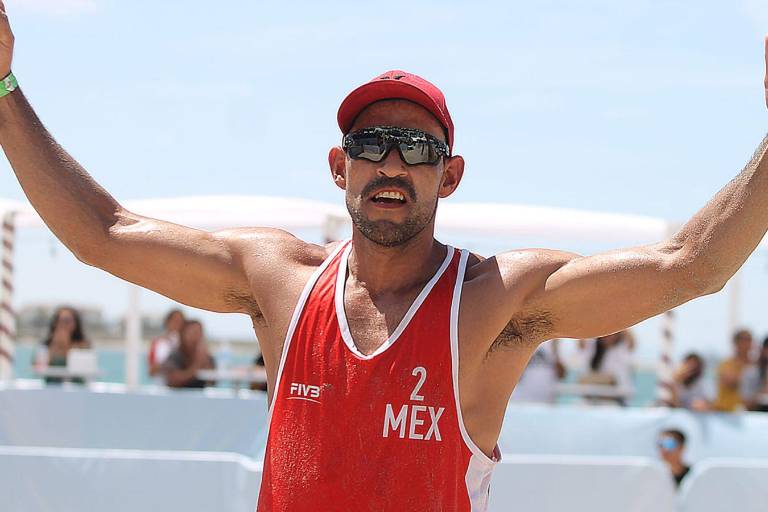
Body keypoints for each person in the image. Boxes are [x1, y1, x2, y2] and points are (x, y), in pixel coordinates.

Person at [2, 7, 768, 507]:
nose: (392, 163)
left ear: (449, 175)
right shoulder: (279, 280)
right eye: (371, 144)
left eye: (417, 147)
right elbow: (102, 233)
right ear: (340, 168)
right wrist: (3, 85)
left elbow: (691, 264)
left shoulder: (495, 299)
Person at [576, 330, 635, 405]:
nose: (608, 336)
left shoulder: (622, 349)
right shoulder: (593, 349)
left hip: (617, 399)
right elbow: (581, 340)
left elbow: (631, 341)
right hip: (594, 399)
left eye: (613, 333)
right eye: (606, 334)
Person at [37, 306, 90, 385]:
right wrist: (54, 346)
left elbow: (85, 368)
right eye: (61, 320)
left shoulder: (83, 345)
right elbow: (38, 366)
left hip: (77, 387)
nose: (64, 324)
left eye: (68, 321)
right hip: (51, 386)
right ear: (55, 322)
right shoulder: (46, 344)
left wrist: (66, 347)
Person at [160, 320, 215, 389]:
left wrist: (205, 362)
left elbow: (212, 382)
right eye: (193, 333)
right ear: (183, 335)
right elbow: (173, 381)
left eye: (199, 333)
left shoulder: (207, 357)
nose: (196, 337)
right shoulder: (175, 356)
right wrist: (196, 366)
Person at [510, 339, 565, 404]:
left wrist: (555, 353)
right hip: (521, 397)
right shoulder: (523, 339)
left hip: (546, 397)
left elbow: (562, 375)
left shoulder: (556, 342)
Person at [713, 329, 753, 412]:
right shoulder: (726, 364)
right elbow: (730, 382)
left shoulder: (754, 365)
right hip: (725, 412)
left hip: (748, 413)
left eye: (749, 340)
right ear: (736, 343)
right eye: (744, 340)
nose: (748, 344)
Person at [147, 308, 184, 377]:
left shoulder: (185, 342)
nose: (178, 324)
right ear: (167, 321)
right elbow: (151, 371)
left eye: (181, 321)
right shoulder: (157, 343)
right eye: (175, 320)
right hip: (161, 382)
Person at [741, 337, 768, 412]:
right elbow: (746, 404)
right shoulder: (751, 372)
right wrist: (761, 394)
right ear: (764, 350)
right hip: (757, 414)